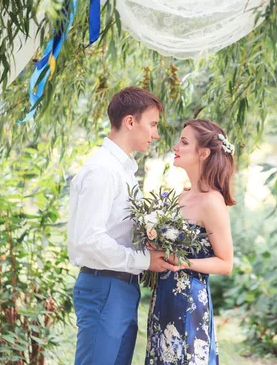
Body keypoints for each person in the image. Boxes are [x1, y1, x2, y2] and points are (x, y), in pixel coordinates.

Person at [68, 87, 177, 365]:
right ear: (130, 121)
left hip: (123, 287)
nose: (156, 134)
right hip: (104, 284)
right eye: (152, 124)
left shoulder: (123, 170)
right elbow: (89, 239)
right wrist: (143, 260)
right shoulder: (103, 170)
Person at [145, 119, 235, 365]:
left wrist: (183, 262)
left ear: (203, 153)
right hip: (163, 297)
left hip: (189, 302)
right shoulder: (181, 195)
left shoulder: (212, 202)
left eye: (184, 142)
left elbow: (226, 263)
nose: (175, 147)